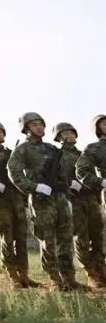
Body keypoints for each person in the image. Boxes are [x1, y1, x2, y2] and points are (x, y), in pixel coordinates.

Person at [7, 112, 78, 291]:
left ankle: (69, 278)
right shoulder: (22, 149)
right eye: (34, 125)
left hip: (60, 198)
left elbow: (62, 174)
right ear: (26, 129)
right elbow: (13, 172)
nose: (39, 127)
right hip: (42, 199)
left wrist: (67, 194)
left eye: (41, 124)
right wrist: (34, 187)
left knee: (65, 238)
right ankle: (55, 279)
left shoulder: (52, 148)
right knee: (47, 239)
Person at [0, 120, 37, 289]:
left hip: (16, 198)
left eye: (1, 131)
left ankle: (24, 275)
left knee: (22, 237)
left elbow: (20, 174)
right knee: (7, 238)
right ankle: (12, 275)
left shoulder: (11, 153)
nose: (0, 134)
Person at [56, 122, 101, 289]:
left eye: (71, 132)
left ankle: (101, 268)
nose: (69, 135)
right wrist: (68, 185)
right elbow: (53, 177)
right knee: (81, 236)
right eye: (65, 133)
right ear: (58, 137)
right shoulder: (57, 155)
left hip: (90, 197)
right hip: (73, 199)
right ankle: (91, 273)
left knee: (97, 234)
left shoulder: (83, 153)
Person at [76, 115, 106, 290]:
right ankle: (95, 273)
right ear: (97, 128)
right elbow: (82, 172)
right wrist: (101, 182)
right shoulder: (93, 148)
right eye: (104, 124)